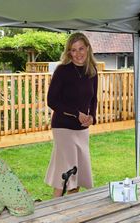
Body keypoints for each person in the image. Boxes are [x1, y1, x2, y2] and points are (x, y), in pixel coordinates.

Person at [45, 32, 98, 197]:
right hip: (63, 128)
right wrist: (77, 114)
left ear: (87, 48)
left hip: (82, 130)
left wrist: (92, 117)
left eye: (81, 48)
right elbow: (51, 101)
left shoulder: (92, 71)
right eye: (73, 50)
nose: (78, 53)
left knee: (77, 175)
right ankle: (56, 213)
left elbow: (93, 99)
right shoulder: (62, 71)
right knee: (67, 175)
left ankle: (70, 212)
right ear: (69, 52)